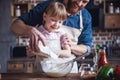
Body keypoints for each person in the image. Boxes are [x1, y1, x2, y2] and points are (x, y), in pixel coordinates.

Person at [10, 0, 92, 61]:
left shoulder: (86, 16)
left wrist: (69, 46)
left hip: (68, 70)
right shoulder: (47, 7)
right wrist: (29, 30)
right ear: (44, 16)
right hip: (43, 70)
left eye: (84, 1)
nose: (80, 3)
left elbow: (86, 48)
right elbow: (14, 25)